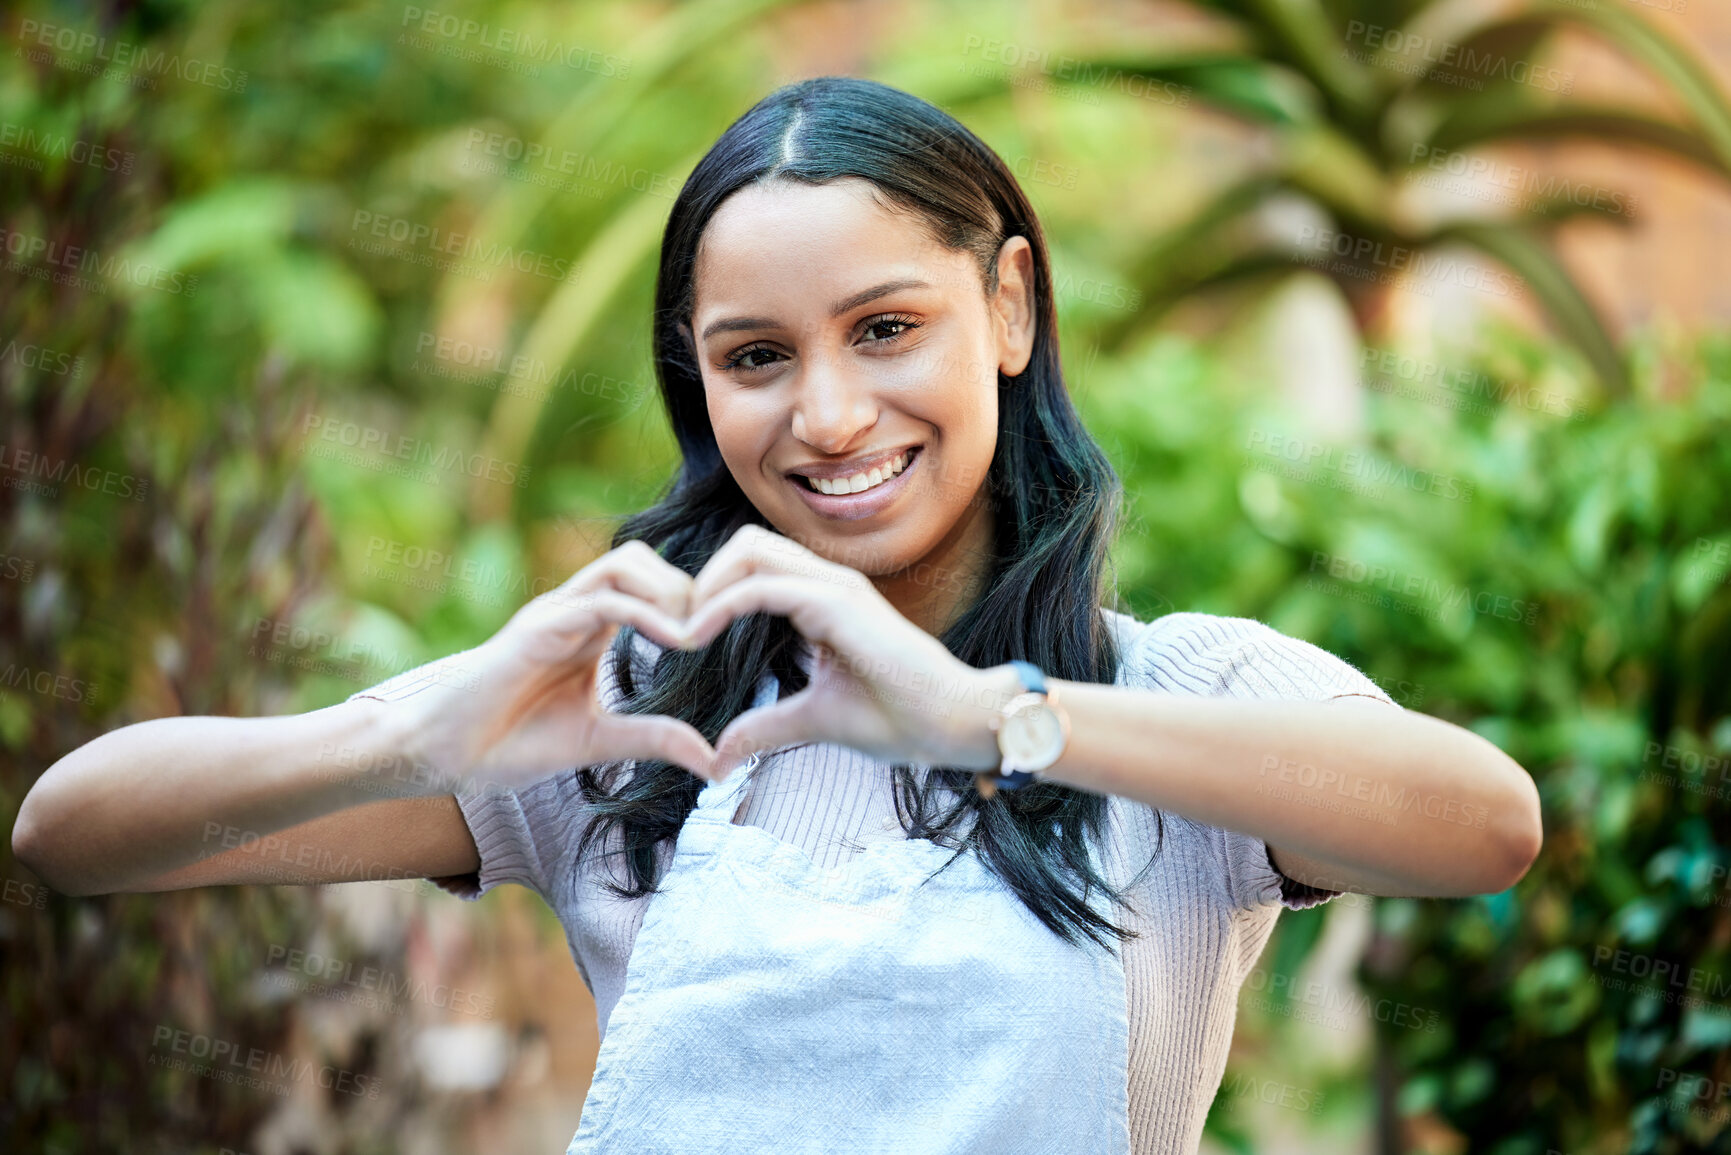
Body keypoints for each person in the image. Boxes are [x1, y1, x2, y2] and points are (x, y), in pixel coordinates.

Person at [13, 76, 1542, 1155]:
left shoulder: (1175, 701)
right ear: (699, 374)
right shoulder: (629, 719)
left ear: (1009, 306)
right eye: (755, 357)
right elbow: (77, 836)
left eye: (887, 329)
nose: (826, 414)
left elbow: (1486, 829)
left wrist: (987, 717)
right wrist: (422, 729)